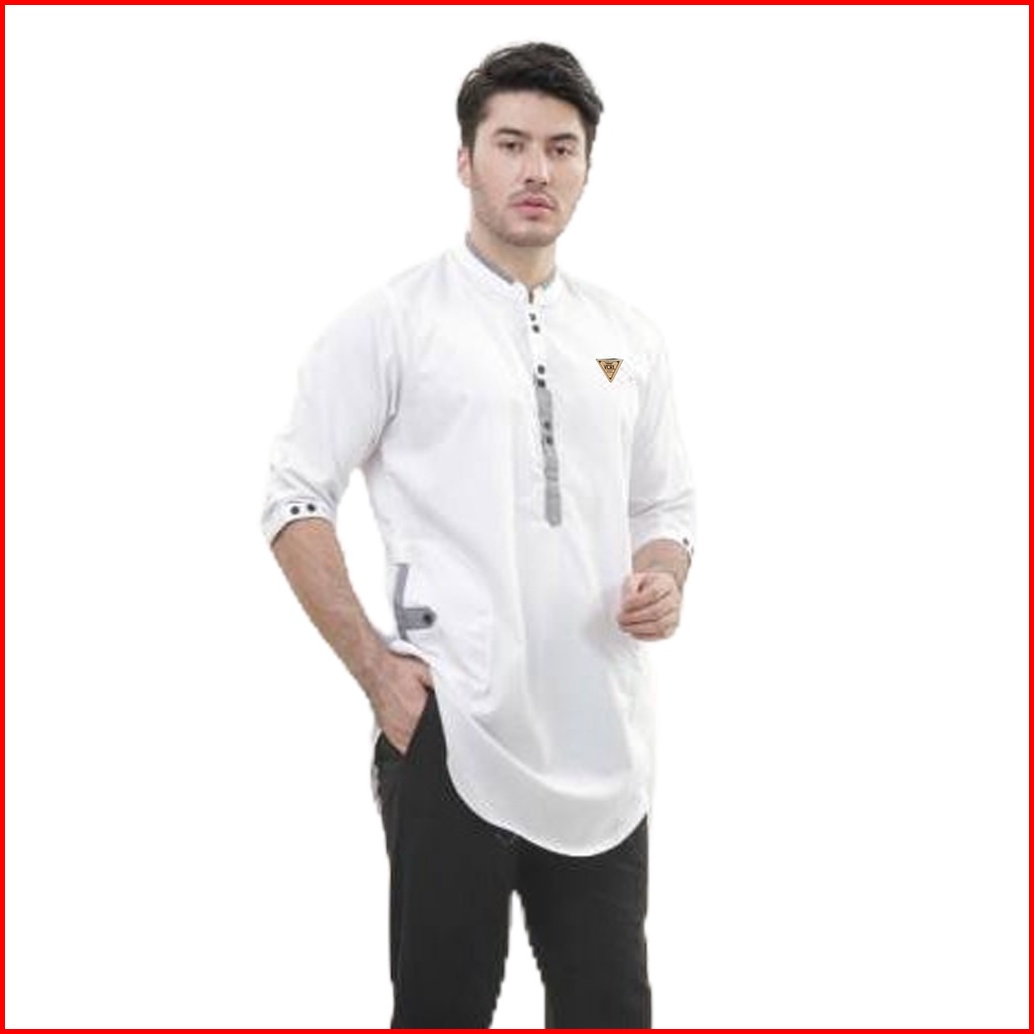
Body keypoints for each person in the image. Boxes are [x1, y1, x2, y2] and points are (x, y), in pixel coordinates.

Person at [262, 41, 696, 1030]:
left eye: (560, 148)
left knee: (610, 1010)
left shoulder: (627, 335)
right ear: (465, 160)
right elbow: (293, 497)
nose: (535, 169)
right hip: (449, 727)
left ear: (586, 167)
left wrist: (663, 574)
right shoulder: (393, 322)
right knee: (442, 1009)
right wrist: (376, 670)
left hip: (600, 739)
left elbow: (664, 506)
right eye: (510, 144)